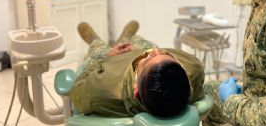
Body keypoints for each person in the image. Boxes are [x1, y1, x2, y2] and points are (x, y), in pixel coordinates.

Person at [69, 21, 205, 118]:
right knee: (141, 41)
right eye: (166, 55)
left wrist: (107, 56)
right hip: (136, 54)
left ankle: (95, 40)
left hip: (112, 62)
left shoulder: (101, 89)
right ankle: (128, 38)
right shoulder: (193, 70)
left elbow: (77, 90)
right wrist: (142, 52)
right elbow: (191, 60)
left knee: (98, 49)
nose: (156, 51)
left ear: (136, 90)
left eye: (148, 59)